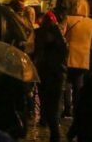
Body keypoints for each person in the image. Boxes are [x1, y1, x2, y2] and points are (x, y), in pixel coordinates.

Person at [34, 9, 68, 142]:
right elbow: (64, 52)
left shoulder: (41, 34)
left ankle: (53, 129)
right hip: (54, 74)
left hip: (48, 73)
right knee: (52, 104)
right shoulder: (57, 36)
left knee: (49, 103)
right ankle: (54, 132)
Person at [63, 0, 92, 117]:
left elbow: (61, 36)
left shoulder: (67, 19)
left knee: (67, 82)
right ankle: (77, 109)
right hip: (83, 57)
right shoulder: (91, 22)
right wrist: (86, 48)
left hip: (68, 56)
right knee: (78, 83)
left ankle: (67, 109)